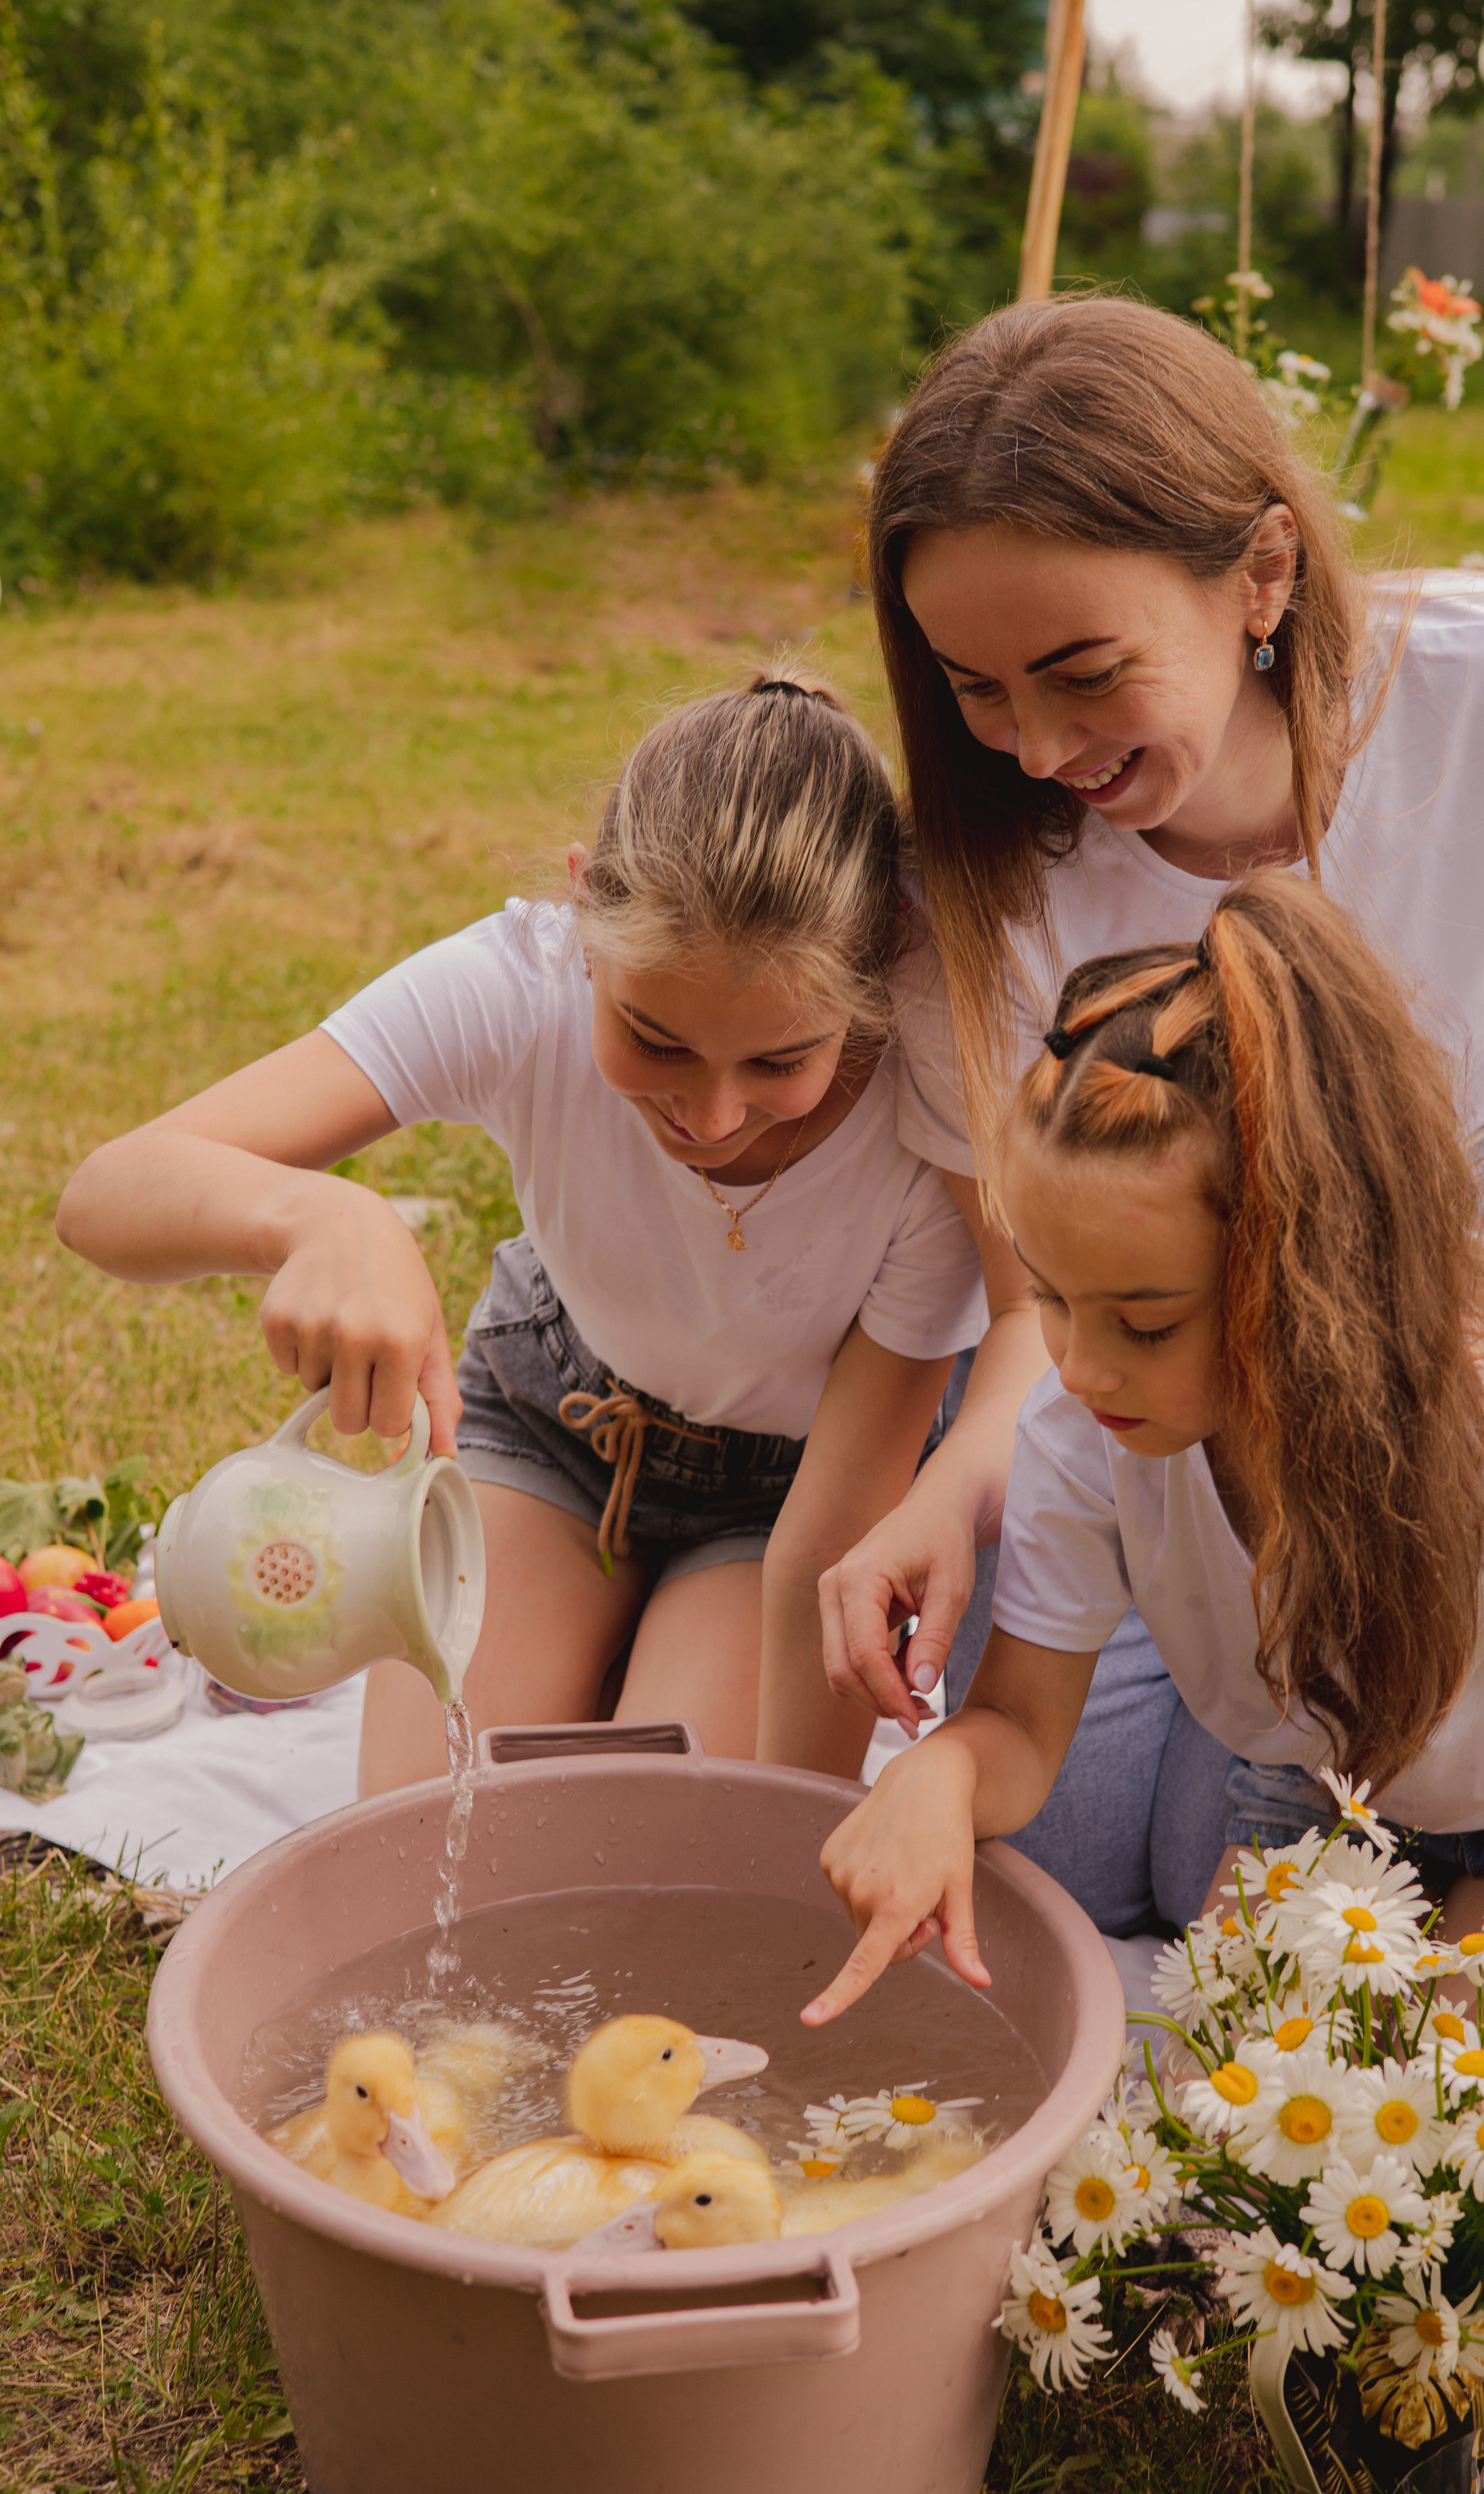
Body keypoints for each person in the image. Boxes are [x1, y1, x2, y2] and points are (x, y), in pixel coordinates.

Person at [817, 295, 1484, 1939]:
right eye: (975, 688)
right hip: (1146, 1315)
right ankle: (1245, 1674)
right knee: (1083, 1866)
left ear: (1260, 574)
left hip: (1473, 1248)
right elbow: (1064, 1289)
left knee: (1445, 1692)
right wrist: (963, 1486)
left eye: (1082, 675)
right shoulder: (1000, 865)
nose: (1034, 746)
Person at [802, 880, 1484, 2028]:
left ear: (1299, 1280)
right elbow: (1018, 1724)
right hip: (1329, 1789)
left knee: (1456, 2061)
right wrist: (939, 1776)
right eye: (1052, 1298)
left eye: (1146, 1322)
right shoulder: (1081, 1432)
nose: (1083, 1367)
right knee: (1238, 2073)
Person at [57, 673, 989, 1790]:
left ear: (883, 956)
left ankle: (636, 1658)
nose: (712, 1115)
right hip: (554, 1419)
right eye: (656, 1039)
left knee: (664, 1850)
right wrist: (325, 1212)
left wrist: (781, 1850)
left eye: (782, 1062)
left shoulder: (936, 1109)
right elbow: (108, 1194)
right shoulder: (521, 983)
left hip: (790, 1500)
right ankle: (597, 1650)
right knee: (432, 1833)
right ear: (584, 911)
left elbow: (823, 1548)